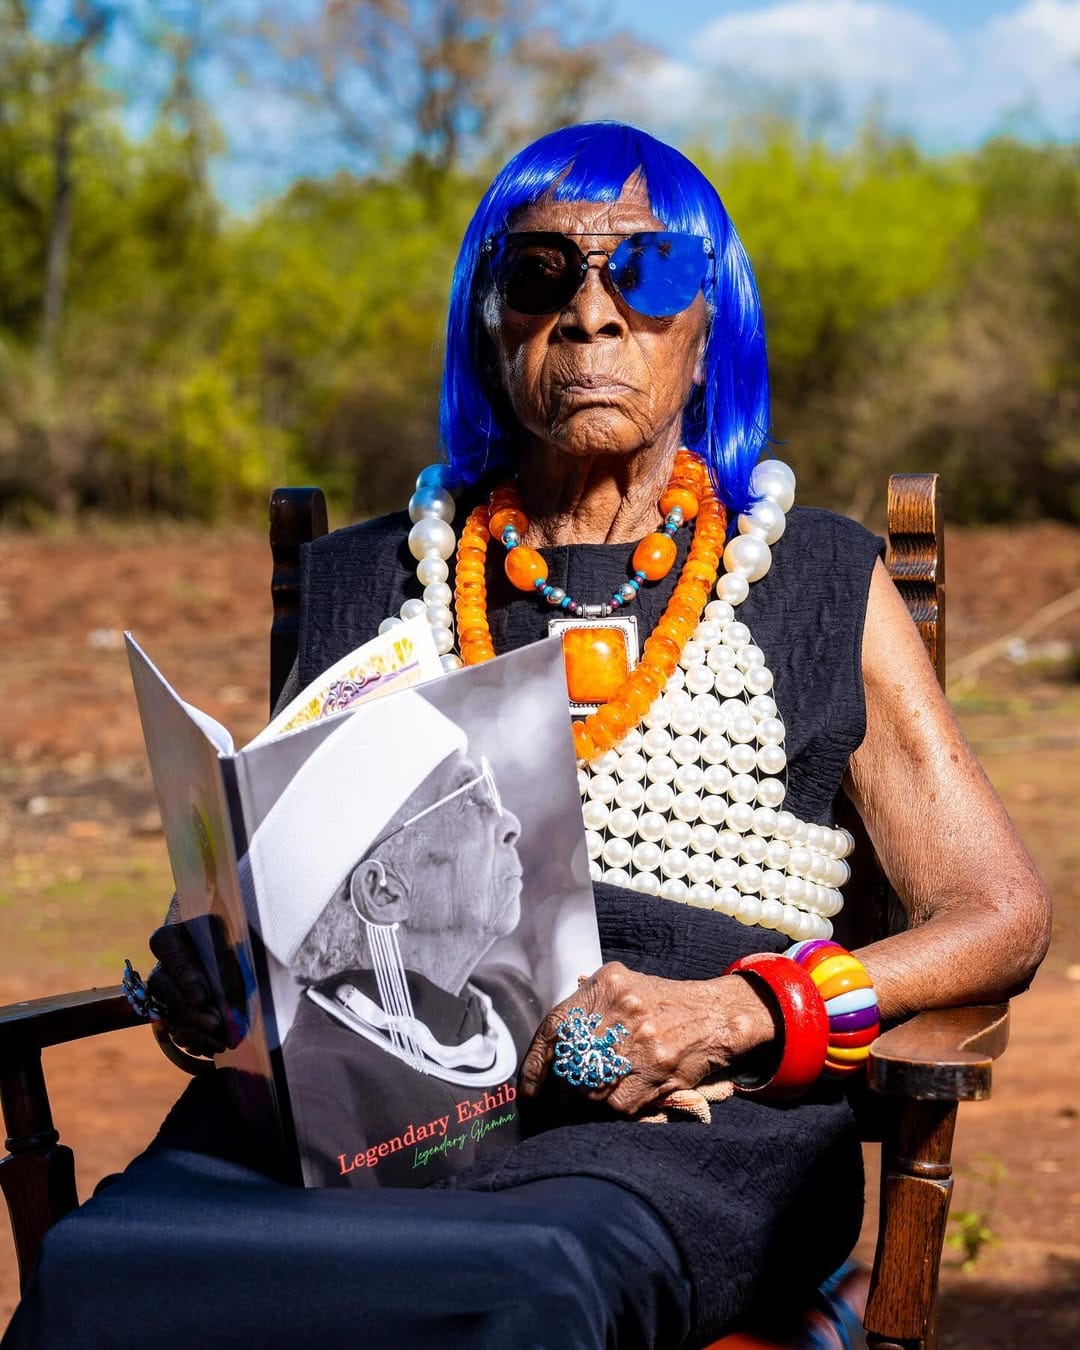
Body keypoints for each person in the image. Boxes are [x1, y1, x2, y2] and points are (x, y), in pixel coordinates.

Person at [3, 121, 1050, 1350]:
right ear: (491, 324)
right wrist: (214, 982)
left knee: (522, 1289)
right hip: (358, 1119)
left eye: (647, 274)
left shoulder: (815, 576)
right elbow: (289, 889)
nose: (593, 315)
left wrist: (740, 1013)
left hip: (670, 1128)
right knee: (99, 1274)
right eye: (543, 274)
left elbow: (1000, 913)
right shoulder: (372, 580)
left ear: (711, 325)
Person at [250, 689, 541, 1187]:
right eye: (470, 801)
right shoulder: (321, 1082)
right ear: (383, 892)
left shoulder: (511, 997)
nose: (509, 823)